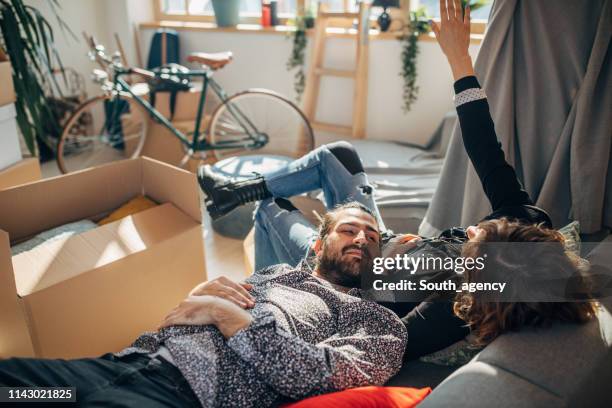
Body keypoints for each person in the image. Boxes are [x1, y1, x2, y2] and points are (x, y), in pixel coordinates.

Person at [198, 0, 597, 359]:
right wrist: (459, 59)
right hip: (386, 241)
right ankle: (236, 190)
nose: (471, 227)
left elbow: (383, 340)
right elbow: (485, 149)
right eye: (487, 230)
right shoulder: (530, 222)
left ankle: (272, 299)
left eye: (474, 241)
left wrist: (381, 268)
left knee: (272, 211)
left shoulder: (458, 301)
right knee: (340, 155)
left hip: (356, 267)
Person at [0, 203, 406, 407]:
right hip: (125, 364)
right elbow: (194, 311)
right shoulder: (276, 272)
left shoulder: (378, 320)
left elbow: (320, 374)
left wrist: (226, 315)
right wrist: (201, 297)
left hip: (178, 397)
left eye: (372, 237)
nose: (361, 239)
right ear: (318, 245)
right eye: (349, 230)